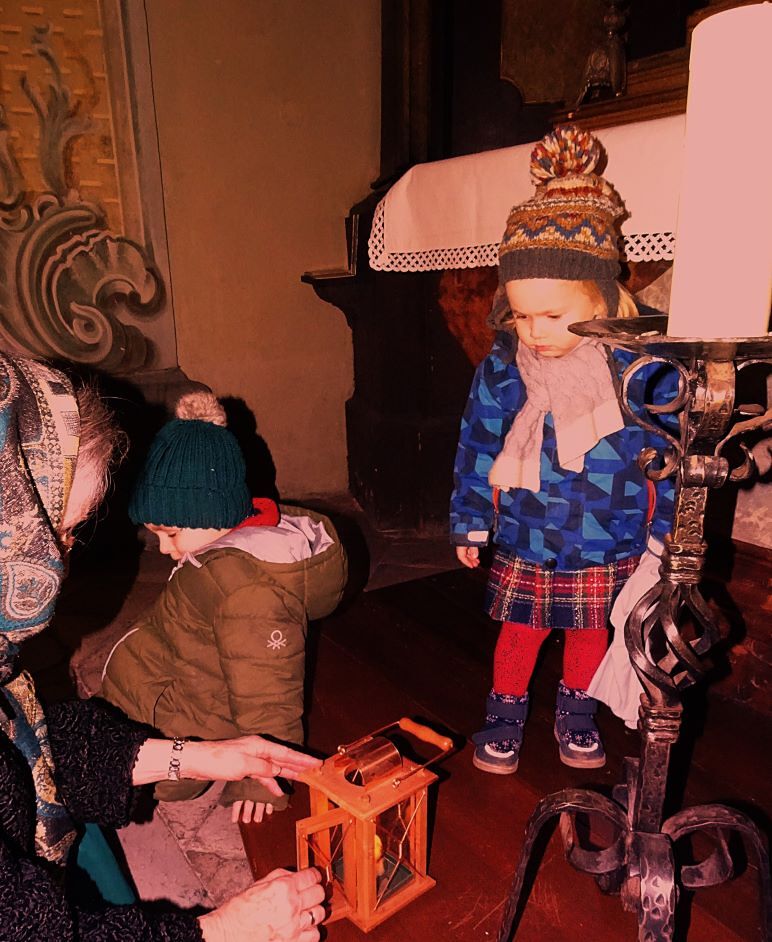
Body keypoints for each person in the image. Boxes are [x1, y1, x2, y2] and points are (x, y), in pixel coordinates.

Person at [0, 351, 326, 940]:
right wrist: (221, 930)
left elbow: (31, 753)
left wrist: (195, 757)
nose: (60, 563)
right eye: (57, 534)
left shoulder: (241, 586)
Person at [450, 125, 676, 775]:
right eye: (521, 315)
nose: (534, 331)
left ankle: (576, 713)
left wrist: (665, 529)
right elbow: (477, 442)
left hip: (610, 530)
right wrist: (470, 517)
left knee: (589, 630)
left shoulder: (638, 369)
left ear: (602, 295)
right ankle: (504, 715)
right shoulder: (504, 367)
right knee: (521, 630)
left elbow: (667, 452)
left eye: (552, 316)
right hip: (529, 530)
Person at [101, 390, 347, 824]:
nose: (163, 548)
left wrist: (260, 776)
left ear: (211, 515)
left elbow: (270, 692)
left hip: (196, 712)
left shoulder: (248, 593)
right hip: (179, 674)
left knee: (157, 781)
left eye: (170, 533)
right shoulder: (217, 552)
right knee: (104, 734)